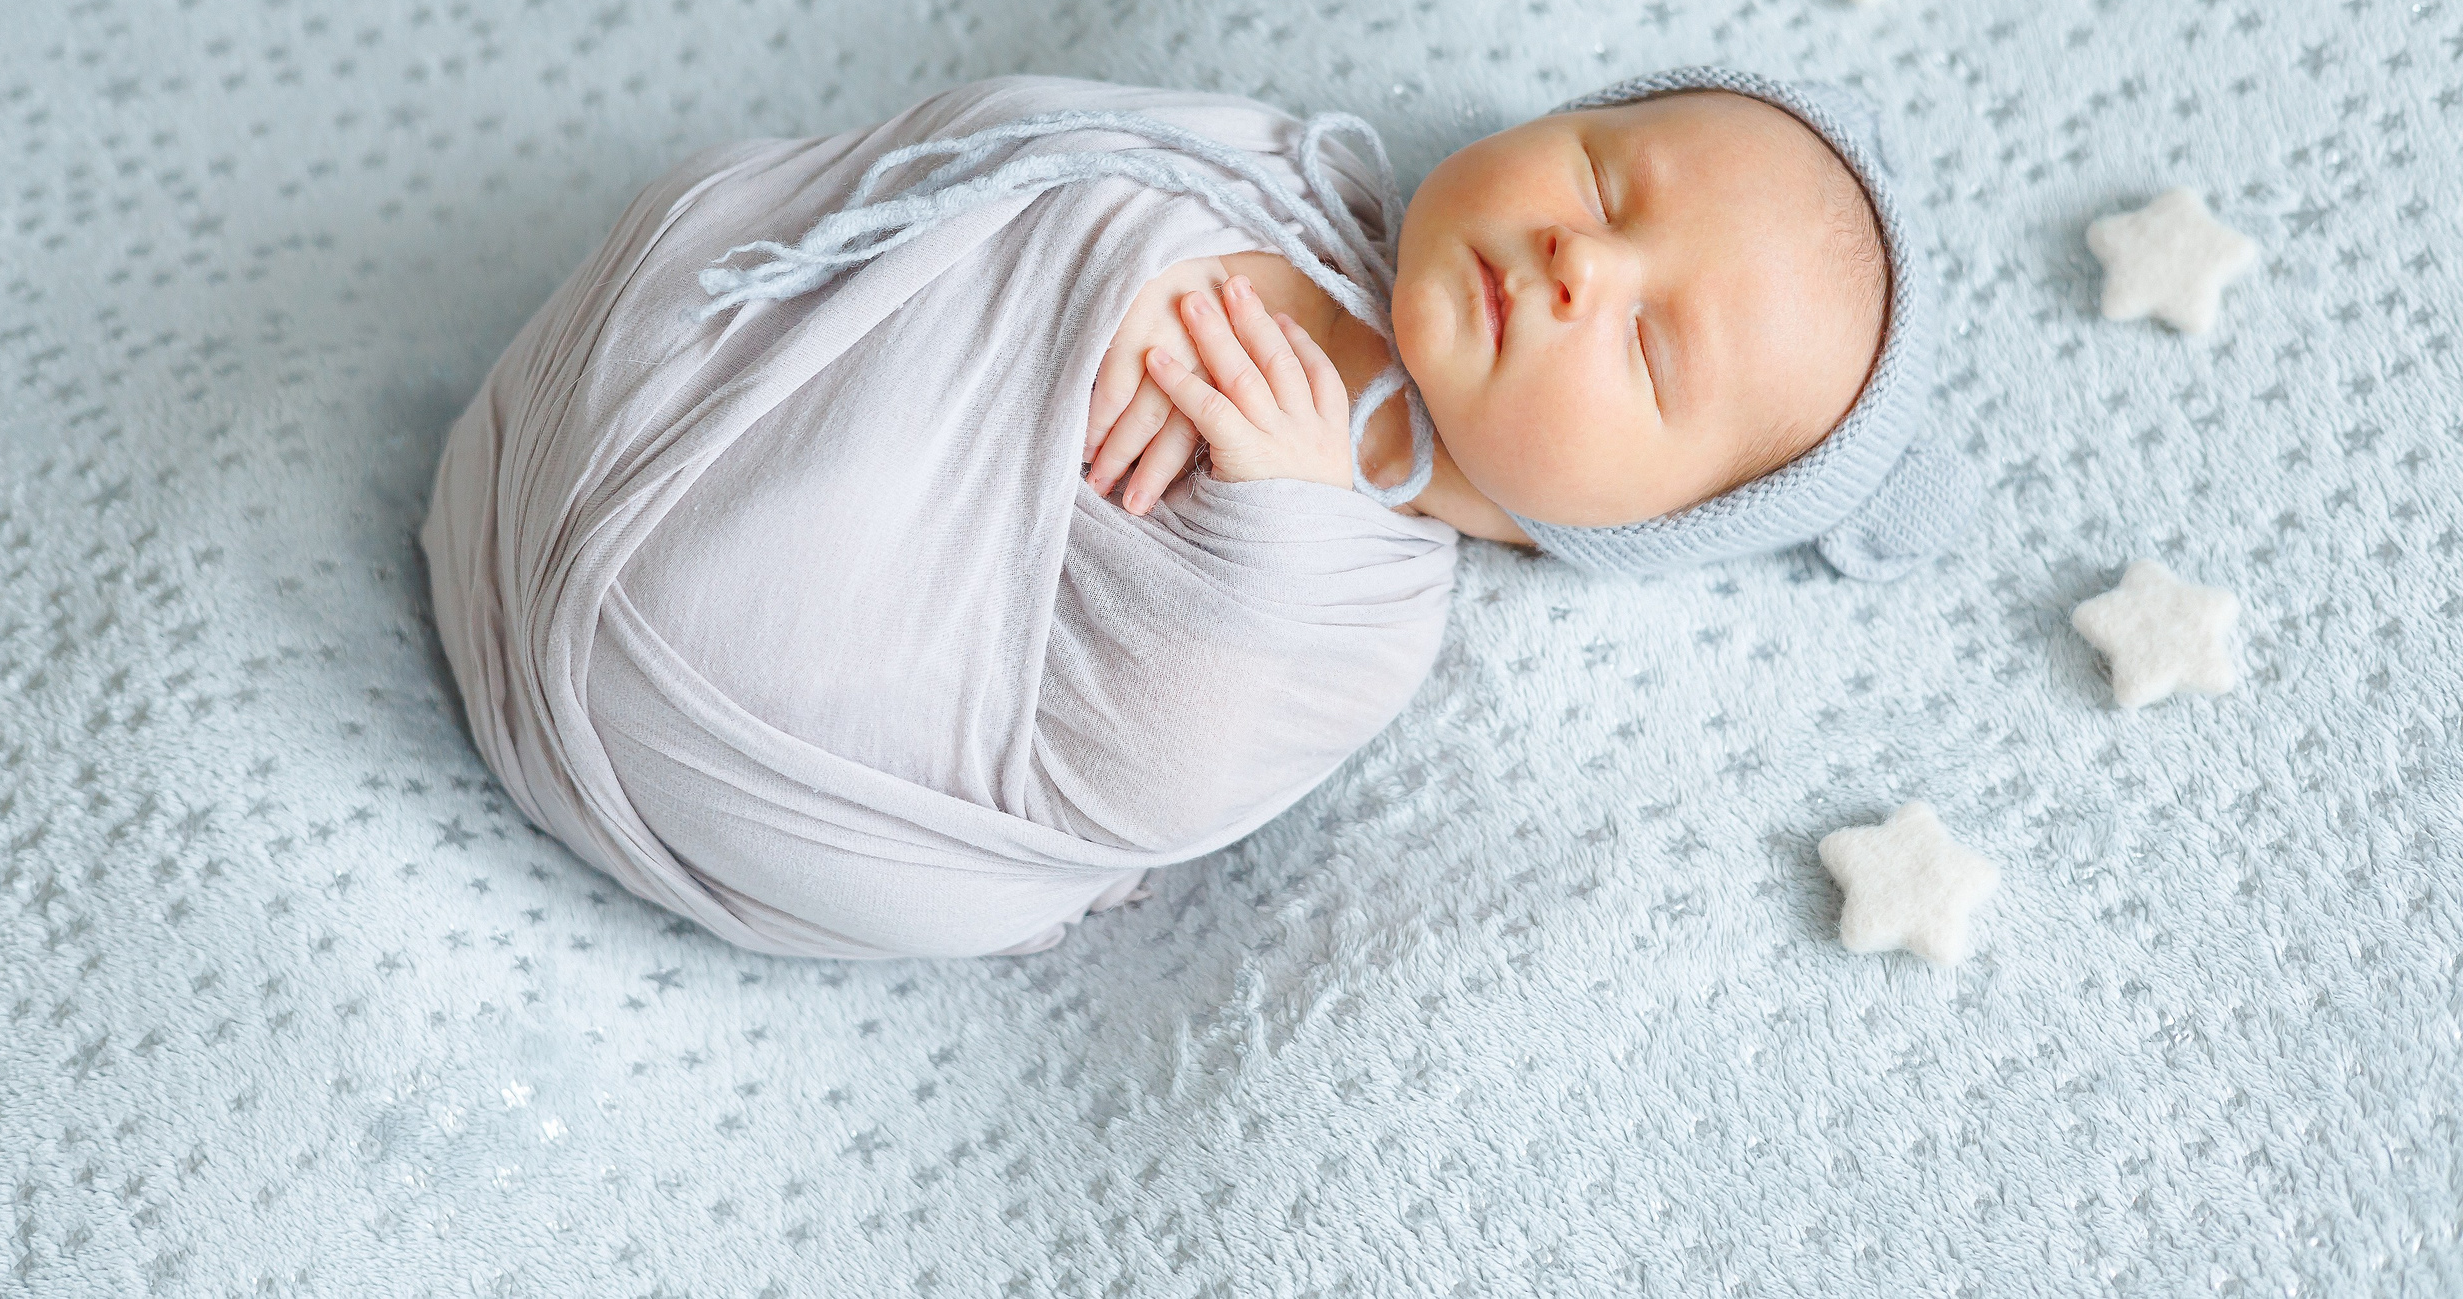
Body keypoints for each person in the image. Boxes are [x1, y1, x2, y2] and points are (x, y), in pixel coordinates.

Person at [417, 69, 1976, 960]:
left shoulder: (1359, 596)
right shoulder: (1256, 167)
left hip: (740, 703)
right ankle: (609, 486)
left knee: (757, 638)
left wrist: (1271, 516)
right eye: (1606, 177)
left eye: (1646, 348)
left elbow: (1139, 781)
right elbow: (994, 141)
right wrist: (1122, 257)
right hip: (648, 400)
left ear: (1616, 528)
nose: (1583, 261)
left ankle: (637, 596)